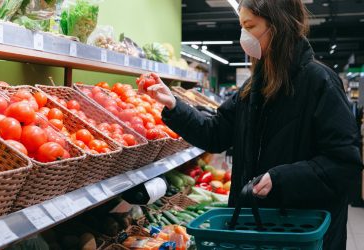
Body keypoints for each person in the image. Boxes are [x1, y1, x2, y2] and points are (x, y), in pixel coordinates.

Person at [138, 0, 363, 249]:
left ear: (278, 27)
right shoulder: (254, 87)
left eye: (250, 25)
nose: (243, 35)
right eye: (241, 26)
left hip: (302, 232)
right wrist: (174, 106)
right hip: (256, 227)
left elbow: (344, 164)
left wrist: (281, 178)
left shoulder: (320, 83)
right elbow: (216, 134)